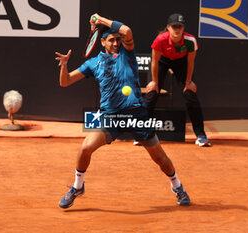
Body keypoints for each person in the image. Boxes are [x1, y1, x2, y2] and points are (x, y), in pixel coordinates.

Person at [55, 14, 190, 209]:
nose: (116, 43)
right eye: (111, 40)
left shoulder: (127, 54)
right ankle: (77, 186)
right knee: (85, 148)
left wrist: (100, 19)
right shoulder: (93, 63)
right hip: (111, 117)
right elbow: (65, 81)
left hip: (136, 114)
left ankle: (177, 186)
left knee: (160, 158)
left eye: (118, 40)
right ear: (102, 42)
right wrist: (65, 65)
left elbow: (126, 31)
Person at [142, 13, 211, 147]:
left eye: (180, 27)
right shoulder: (160, 39)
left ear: (183, 29)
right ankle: (142, 134)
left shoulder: (190, 41)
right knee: (151, 94)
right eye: (174, 26)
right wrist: (154, 82)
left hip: (181, 63)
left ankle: (201, 136)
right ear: (168, 27)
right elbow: (154, 61)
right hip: (162, 62)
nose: (177, 29)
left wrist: (188, 82)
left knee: (190, 94)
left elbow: (190, 62)